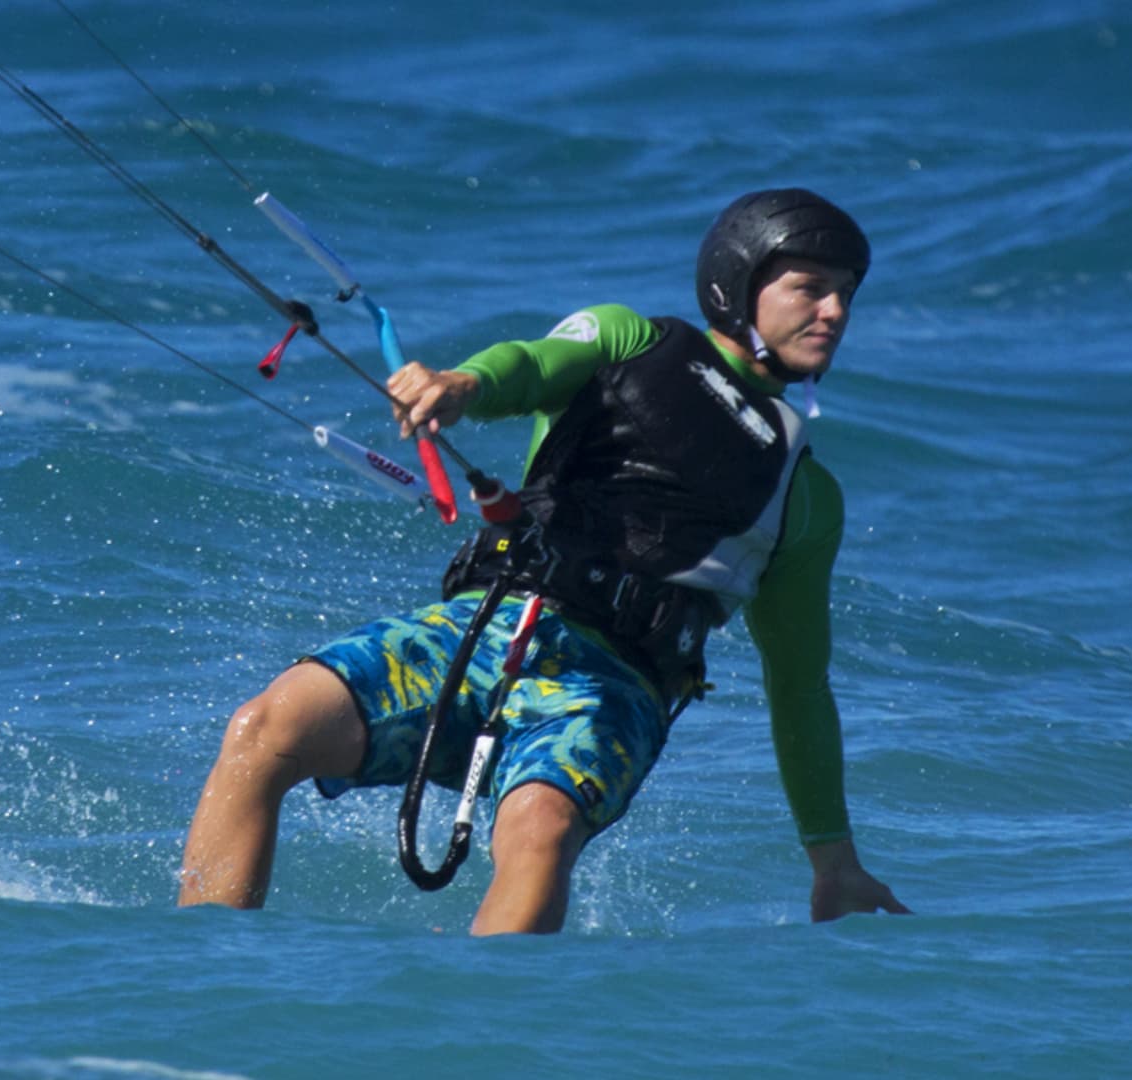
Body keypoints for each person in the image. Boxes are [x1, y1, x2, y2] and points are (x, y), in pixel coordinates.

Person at [178, 188, 910, 934]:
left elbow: (799, 687)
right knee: (266, 729)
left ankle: (477, 1035)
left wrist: (834, 863)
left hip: (612, 688)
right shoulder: (632, 340)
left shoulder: (807, 495)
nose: (835, 314)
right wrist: (462, 386)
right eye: (810, 289)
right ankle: (200, 982)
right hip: (487, 627)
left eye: (846, 295)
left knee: (541, 832)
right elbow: (529, 366)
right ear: (739, 282)